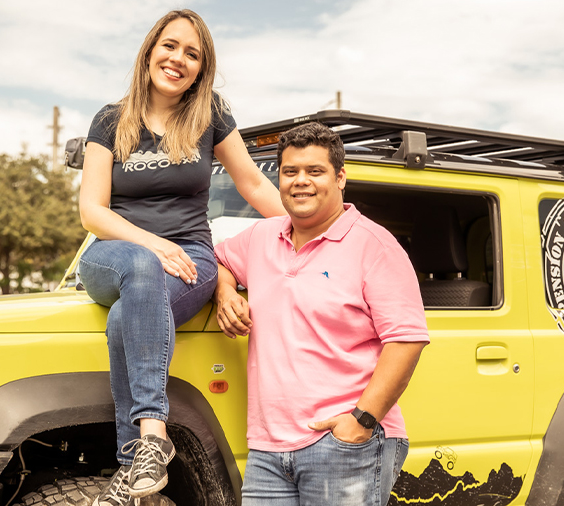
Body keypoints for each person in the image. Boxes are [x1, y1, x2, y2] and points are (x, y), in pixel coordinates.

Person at [77, 9, 285, 506]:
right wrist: (152, 244)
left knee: (130, 314)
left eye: (192, 54)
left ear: (201, 68)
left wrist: (314, 230)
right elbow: (91, 210)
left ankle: (136, 465)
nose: (178, 60)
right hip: (113, 254)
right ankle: (153, 435)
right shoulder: (110, 119)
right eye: (170, 47)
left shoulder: (209, 114)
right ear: (150, 50)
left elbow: (253, 182)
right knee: (141, 271)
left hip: (192, 257)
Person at [214, 122, 429, 505]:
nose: (301, 182)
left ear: (341, 177)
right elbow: (218, 260)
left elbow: (407, 340)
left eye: (315, 171)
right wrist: (225, 291)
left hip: (343, 443)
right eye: (290, 171)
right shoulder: (263, 236)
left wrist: (361, 421)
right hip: (267, 448)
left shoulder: (374, 245)